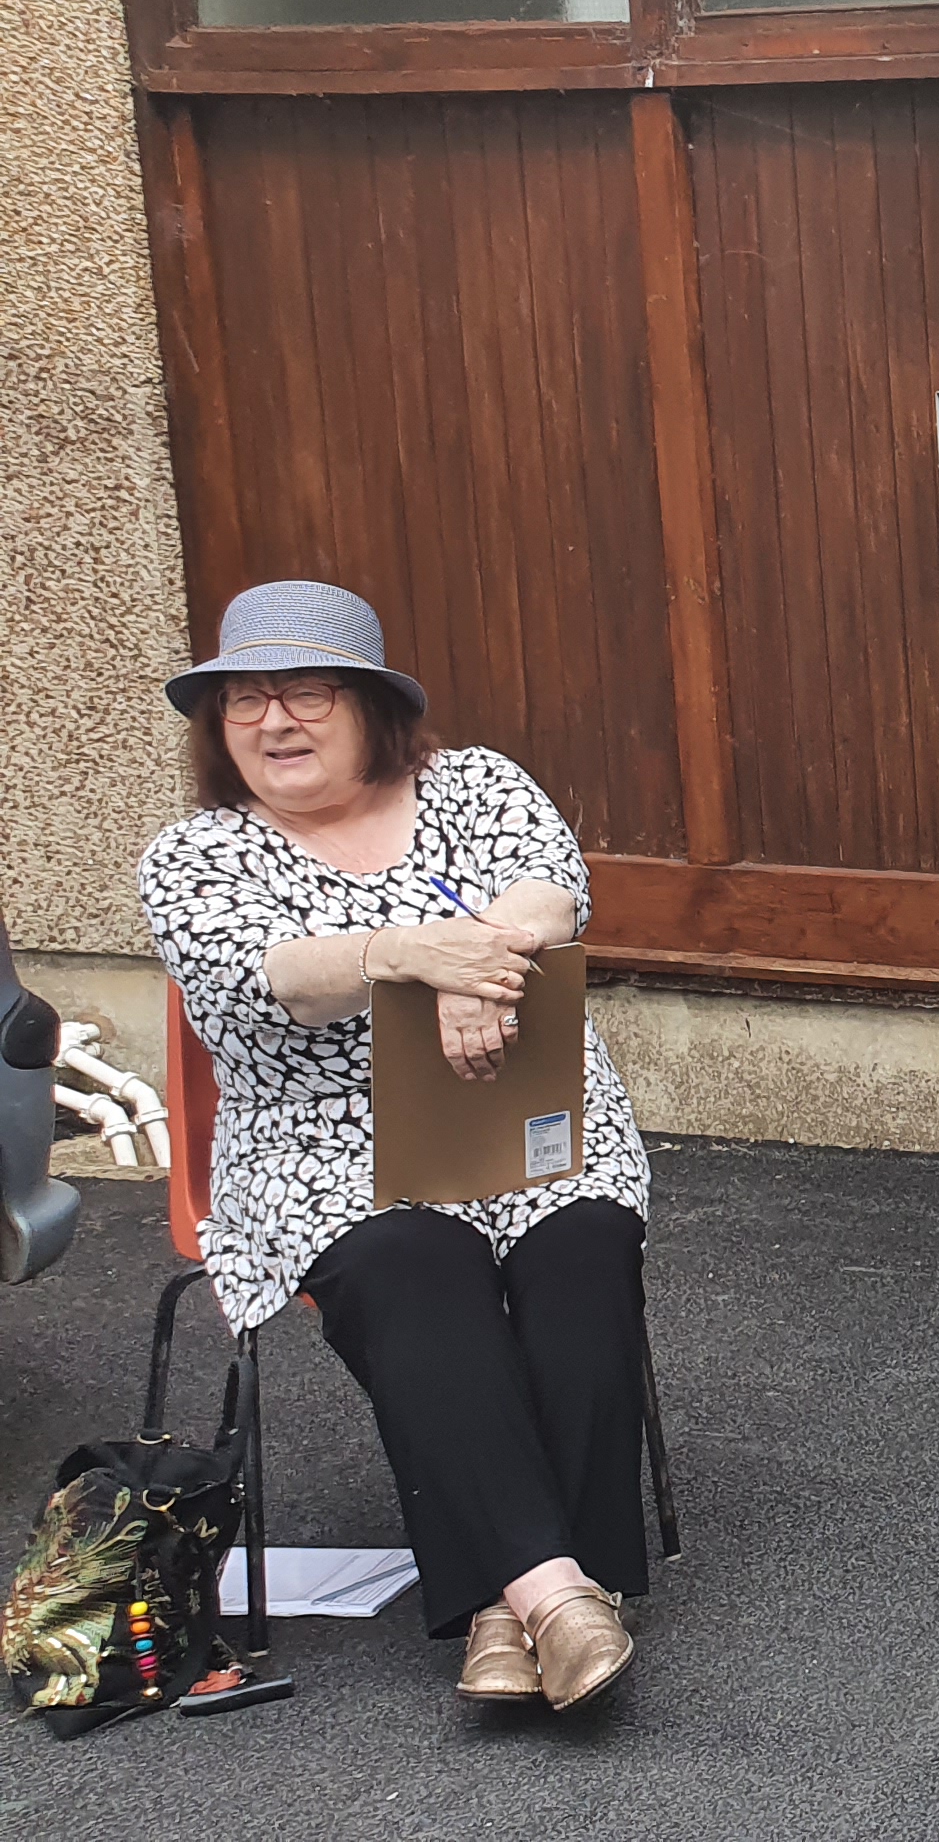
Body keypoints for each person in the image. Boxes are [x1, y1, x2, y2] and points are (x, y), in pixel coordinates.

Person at [136, 580, 654, 1712]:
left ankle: (498, 1606)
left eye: (307, 694)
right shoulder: (194, 856)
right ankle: (566, 1589)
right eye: (244, 702)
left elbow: (551, 896)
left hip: (522, 1111)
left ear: (372, 707)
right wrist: (408, 954)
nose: (275, 722)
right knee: (416, 1267)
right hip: (326, 1146)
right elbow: (266, 978)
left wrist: (478, 962)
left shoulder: (472, 781)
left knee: (580, 1252)